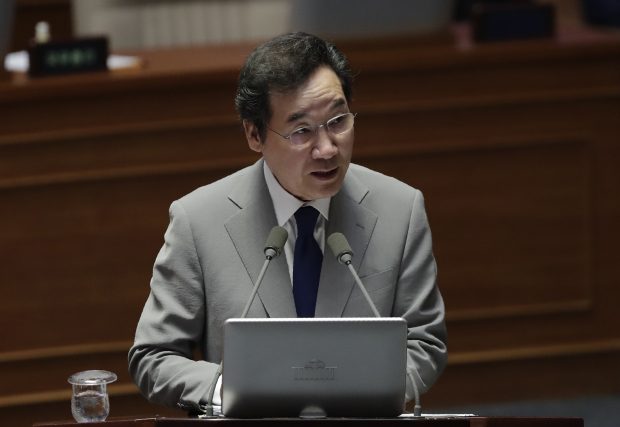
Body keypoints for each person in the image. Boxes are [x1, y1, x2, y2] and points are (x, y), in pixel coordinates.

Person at [128, 32, 447, 414]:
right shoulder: (198, 220)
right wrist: (225, 388)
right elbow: (153, 356)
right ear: (254, 135)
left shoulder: (401, 209)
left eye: (338, 121)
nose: (327, 148)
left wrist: (376, 388)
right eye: (301, 131)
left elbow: (425, 342)